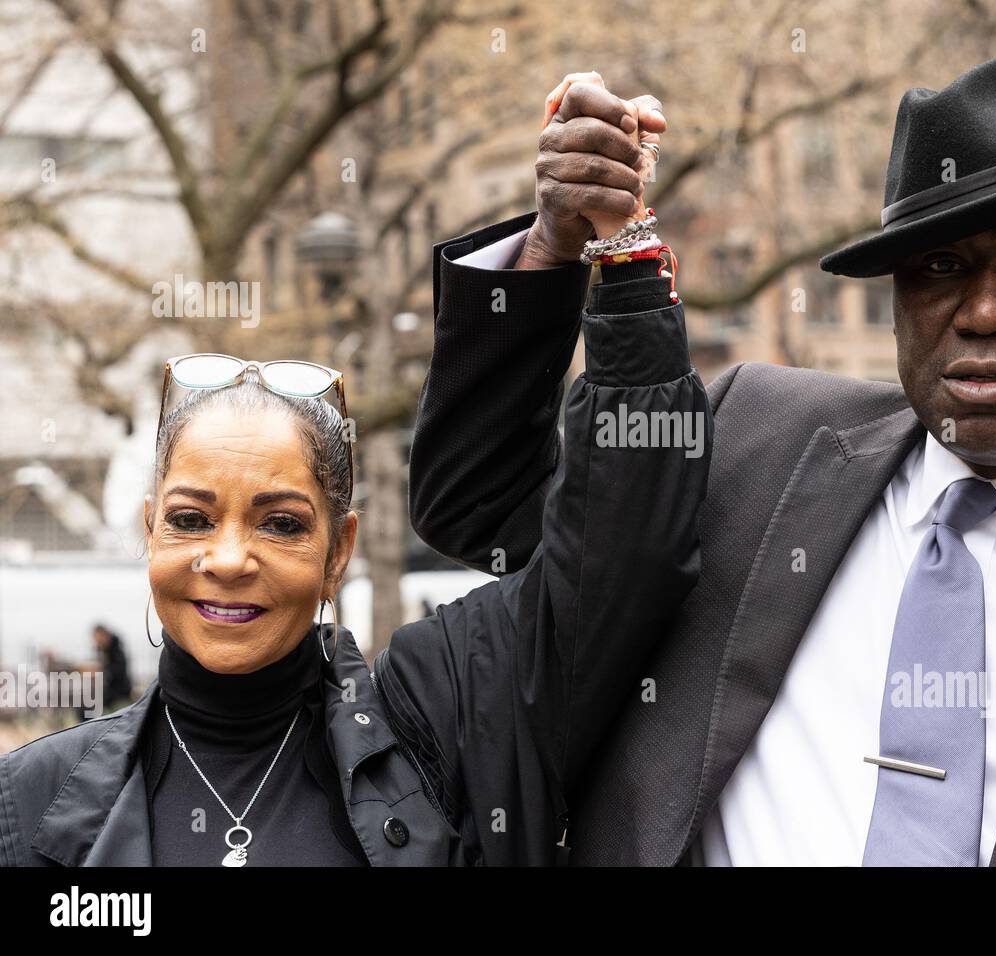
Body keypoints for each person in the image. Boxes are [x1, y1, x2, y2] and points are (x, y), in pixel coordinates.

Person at [408, 53, 996, 866]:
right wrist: (556, 246)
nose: (984, 312)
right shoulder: (748, 443)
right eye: (942, 266)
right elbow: (484, 511)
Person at [0, 154, 709, 864]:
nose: (227, 558)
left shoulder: (442, 719)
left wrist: (611, 250)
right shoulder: (34, 799)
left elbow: (620, 559)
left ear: (340, 548)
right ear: (149, 528)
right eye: (191, 519)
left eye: (281, 523)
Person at [90, 624, 133, 715]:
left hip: (119, 695)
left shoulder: (116, 651)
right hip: (107, 695)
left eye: (99, 637)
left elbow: (119, 671)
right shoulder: (101, 650)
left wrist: (102, 671)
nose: (98, 640)